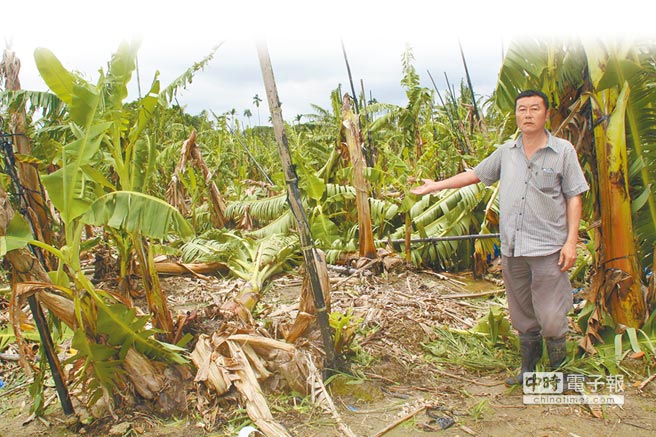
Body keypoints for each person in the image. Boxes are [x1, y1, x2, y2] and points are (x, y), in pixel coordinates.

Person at [411, 90, 589, 385]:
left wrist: (571, 242)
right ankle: (528, 371)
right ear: (516, 115)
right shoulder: (507, 152)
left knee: (552, 315)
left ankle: (558, 376)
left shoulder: (563, 152)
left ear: (546, 114)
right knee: (521, 314)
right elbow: (476, 175)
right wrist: (435, 186)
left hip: (548, 249)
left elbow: (574, 197)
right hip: (512, 249)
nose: (528, 115)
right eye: (522, 109)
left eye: (534, 109)